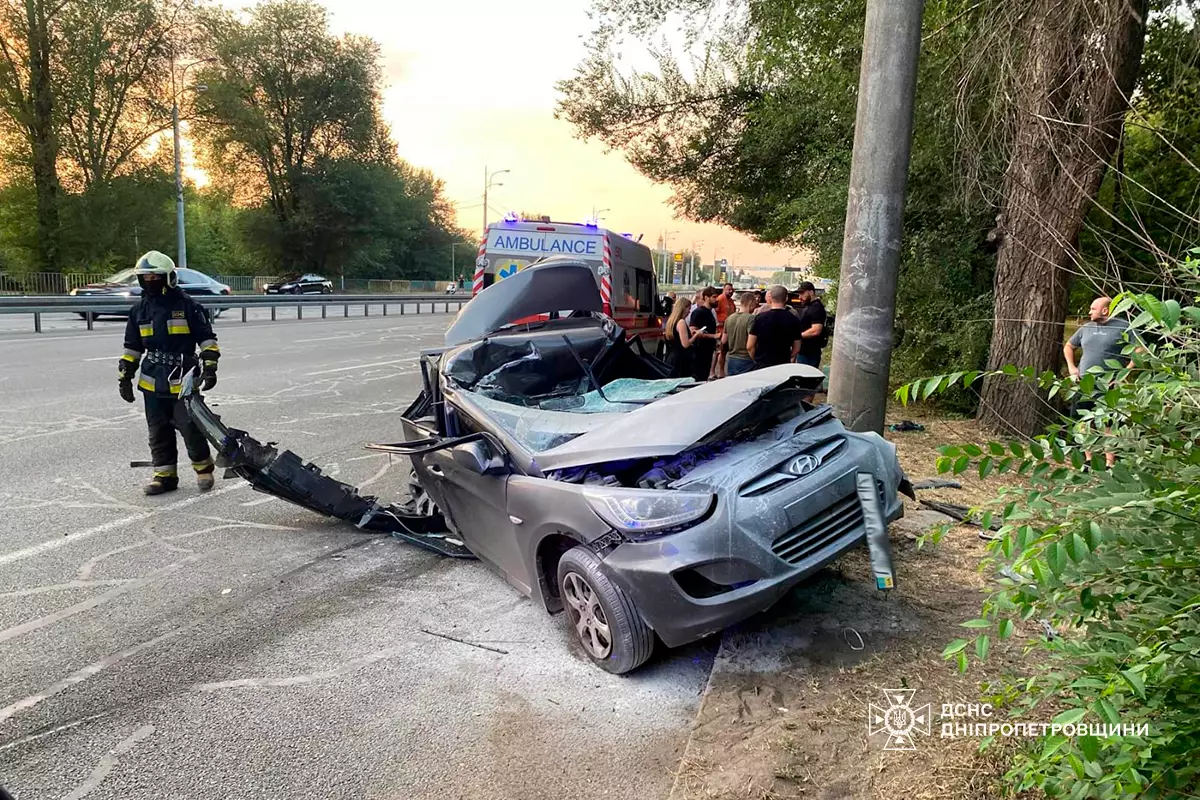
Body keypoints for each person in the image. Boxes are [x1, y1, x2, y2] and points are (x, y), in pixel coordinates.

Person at [117, 251, 221, 495]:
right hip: (152, 381)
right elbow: (132, 348)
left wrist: (210, 367)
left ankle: (204, 470)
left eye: (155, 277)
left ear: (169, 278)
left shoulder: (189, 307)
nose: (150, 282)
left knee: (191, 428)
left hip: (183, 380)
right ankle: (164, 476)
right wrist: (125, 377)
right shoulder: (139, 311)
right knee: (158, 430)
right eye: (146, 278)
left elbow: (207, 340)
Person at [1063, 295, 1137, 469]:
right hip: (1084, 383)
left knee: (1108, 423)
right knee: (1083, 420)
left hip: (1109, 384)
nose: (1089, 312)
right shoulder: (1086, 328)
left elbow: (1140, 350)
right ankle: (1089, 460)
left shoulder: (1124, 327)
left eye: (1092, 309)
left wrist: (1125, 372)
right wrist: (1072, 367)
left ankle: (1109, 463)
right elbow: (1069, 346)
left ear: (1105, 310)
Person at [747, 285, 803, 369]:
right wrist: (787, 357)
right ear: (786, 298)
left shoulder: (760, 318)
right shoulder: (794, 319)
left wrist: (756, 360)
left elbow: (750, 346)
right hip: (782, 365)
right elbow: (797, 347)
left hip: (762, 365)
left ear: (770, 298)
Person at [793, 281, 829, 369]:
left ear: (811, 292)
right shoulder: (810, 306)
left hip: (809, 353)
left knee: (805, 379)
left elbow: (816, 330)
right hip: (805, 352)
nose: (799, 297)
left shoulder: (816, 308)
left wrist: (797, 336)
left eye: (802, 294)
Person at [687, 287, 721, 381]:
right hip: (699, 353)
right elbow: (693, 331)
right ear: (706, 297)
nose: (716, 299)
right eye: (714, 297)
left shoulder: (710, 313)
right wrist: (713, 336)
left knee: (704, 376)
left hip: (708, 352)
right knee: (698, 378)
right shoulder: (698, 313)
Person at [722, 290, 758, 375]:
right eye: (755, 304)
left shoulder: (729, 318)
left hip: (731, 360)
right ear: (750, 302)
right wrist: (755, 359)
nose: (755, 307)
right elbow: (750, 345)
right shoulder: (751, 319)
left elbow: (723, 341)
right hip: (746, 360)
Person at [662, 296, 695, 378]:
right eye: (688, 308)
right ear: (683, 308)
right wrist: (696, 335)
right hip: (680, 359)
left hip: (670, 357)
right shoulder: (681, 322)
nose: (689, 311)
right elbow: (685, 344)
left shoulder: (671, 321)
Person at [712, 282, 737, 378]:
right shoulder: (720, 299)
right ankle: (715, 372)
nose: (730, 291)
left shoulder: (731, 301)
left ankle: (720, 371)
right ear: (724, 289)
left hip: (728, 331)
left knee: (724, 351)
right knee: (719, 351)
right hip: (720, 331)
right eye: (728, 289)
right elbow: (715, 312)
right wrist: (719, 322)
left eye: (731, 289)